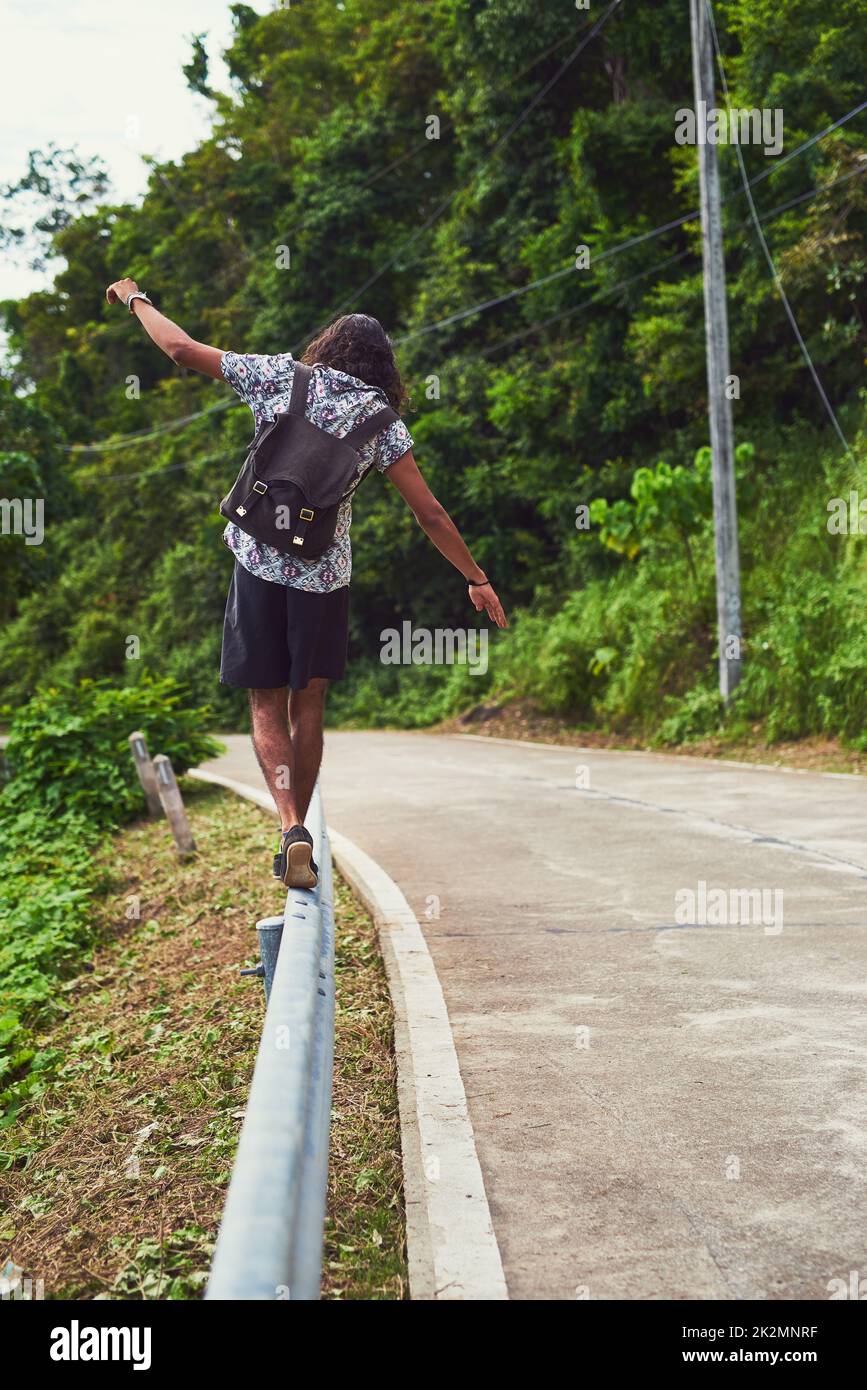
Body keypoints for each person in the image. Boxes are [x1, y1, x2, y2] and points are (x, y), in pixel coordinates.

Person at [106, 277, 508, 888]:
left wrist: (138, 299)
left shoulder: (282, 377)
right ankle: (305, 837)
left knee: (263, 700)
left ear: (329, 345)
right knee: (308, 703)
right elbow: (430, 513)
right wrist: (475, 578)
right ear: (385, 368)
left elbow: (182, 350)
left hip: (258, 563)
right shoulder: (382, 424)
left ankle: (290, 825)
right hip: (323, 576)